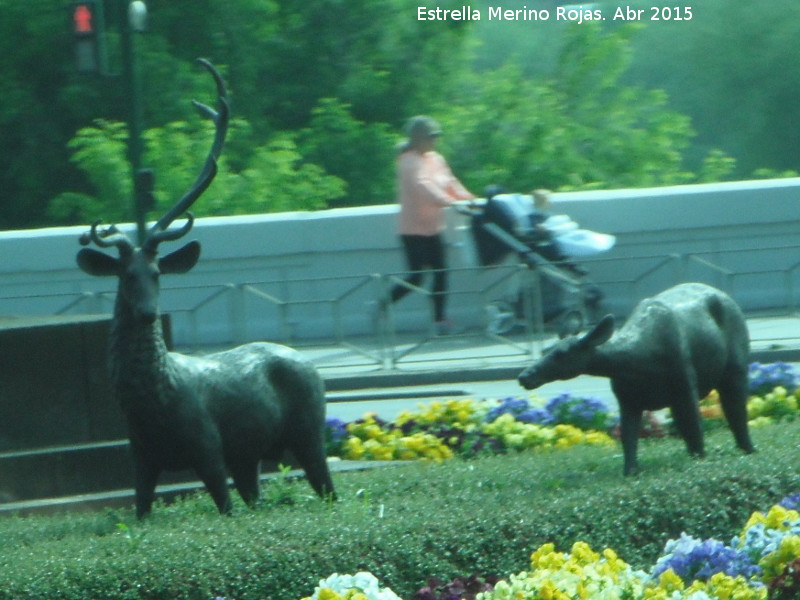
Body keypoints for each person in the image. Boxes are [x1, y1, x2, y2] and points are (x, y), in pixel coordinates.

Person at [384, 115, 476, 335]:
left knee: (441, 273)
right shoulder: (409, 161)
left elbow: (450, 182)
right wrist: (450, 203)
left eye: (437, 136)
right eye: (431, 136)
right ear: (417, 137)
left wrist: (469, 199)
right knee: (417, 276)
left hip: (434, 227)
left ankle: (439, 321)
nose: (435, 140)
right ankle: (383, 305)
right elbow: (424, 187)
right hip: (412, 230)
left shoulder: (436, 159)